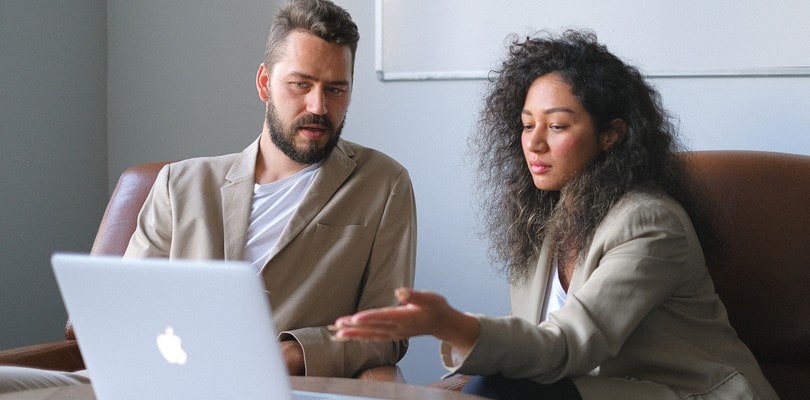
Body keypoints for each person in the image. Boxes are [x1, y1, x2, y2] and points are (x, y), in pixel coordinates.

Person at [332, 30, 778, 399]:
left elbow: (569, 346)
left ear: (610, 135)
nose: (534, 142)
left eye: (557, 125)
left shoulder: (650, 223)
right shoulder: (544, 220)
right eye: (527, 124)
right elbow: (531, 350)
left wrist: (451, 325)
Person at [0, 0, 415, 393]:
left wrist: (292, 353)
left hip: (275, 387)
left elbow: (390, 328)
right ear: (265, 84)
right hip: (147, 379)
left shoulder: (382, 183)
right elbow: (128, 307)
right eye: (300, 84)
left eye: (336, 89)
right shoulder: (179, 183)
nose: (318, 106)